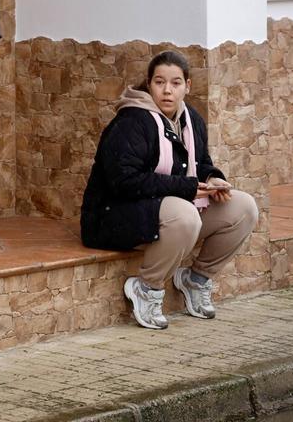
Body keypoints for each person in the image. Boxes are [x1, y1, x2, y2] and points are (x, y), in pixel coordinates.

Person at [80, 50, 260, 329]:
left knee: (243, 207)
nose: (167, 90)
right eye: (159, 82)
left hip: (159, 214)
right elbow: (123, 182)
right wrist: (186, 187)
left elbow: (200, 164)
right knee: (185, 214)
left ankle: (195, 279)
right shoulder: (131, 122)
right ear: (149, 84)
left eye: (175, 83)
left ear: (187, 86)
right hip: (112, 217)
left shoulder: (191, 120)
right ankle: (147, 288)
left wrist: (212, 179)